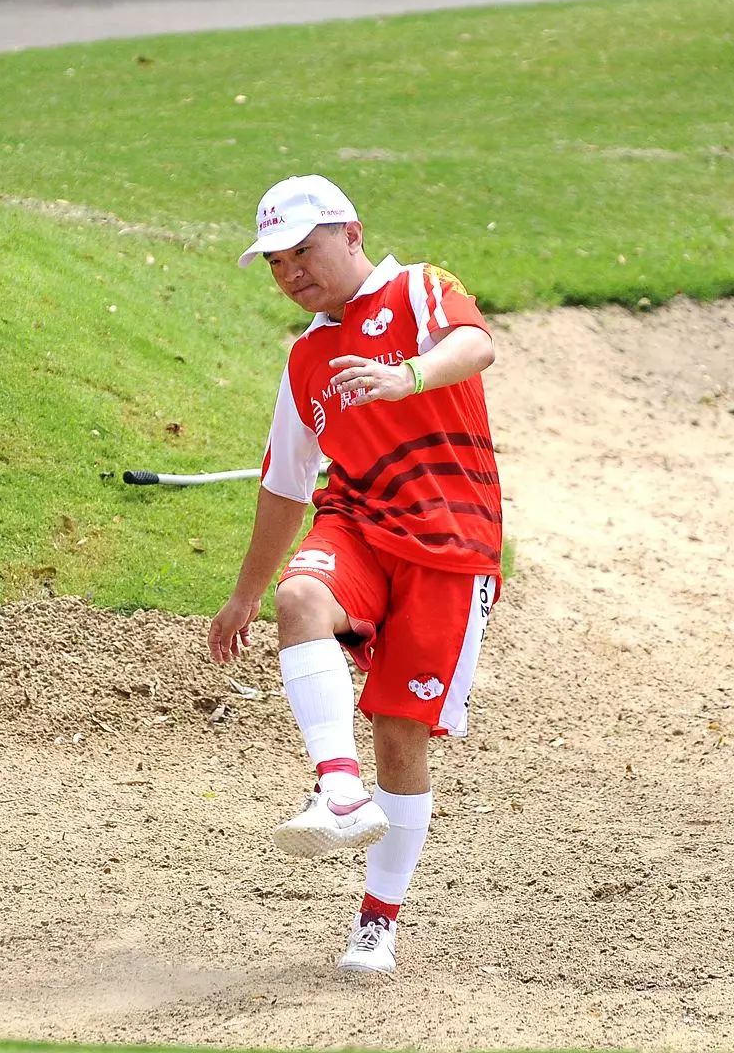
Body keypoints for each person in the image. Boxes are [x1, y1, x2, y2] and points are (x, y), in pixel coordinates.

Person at [208, 174, 503, 977]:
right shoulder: (306, 355)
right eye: (276, 261)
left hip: (451, 543)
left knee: (401, 737)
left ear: (351, 232)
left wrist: (408, 374)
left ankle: (378, 920)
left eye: (303, 250)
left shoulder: (417, 290)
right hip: (360, 524)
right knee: (298, 596)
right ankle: (338, 788)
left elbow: (477, 344)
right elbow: (284, 484)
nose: (291, 271)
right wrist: (241, 596)